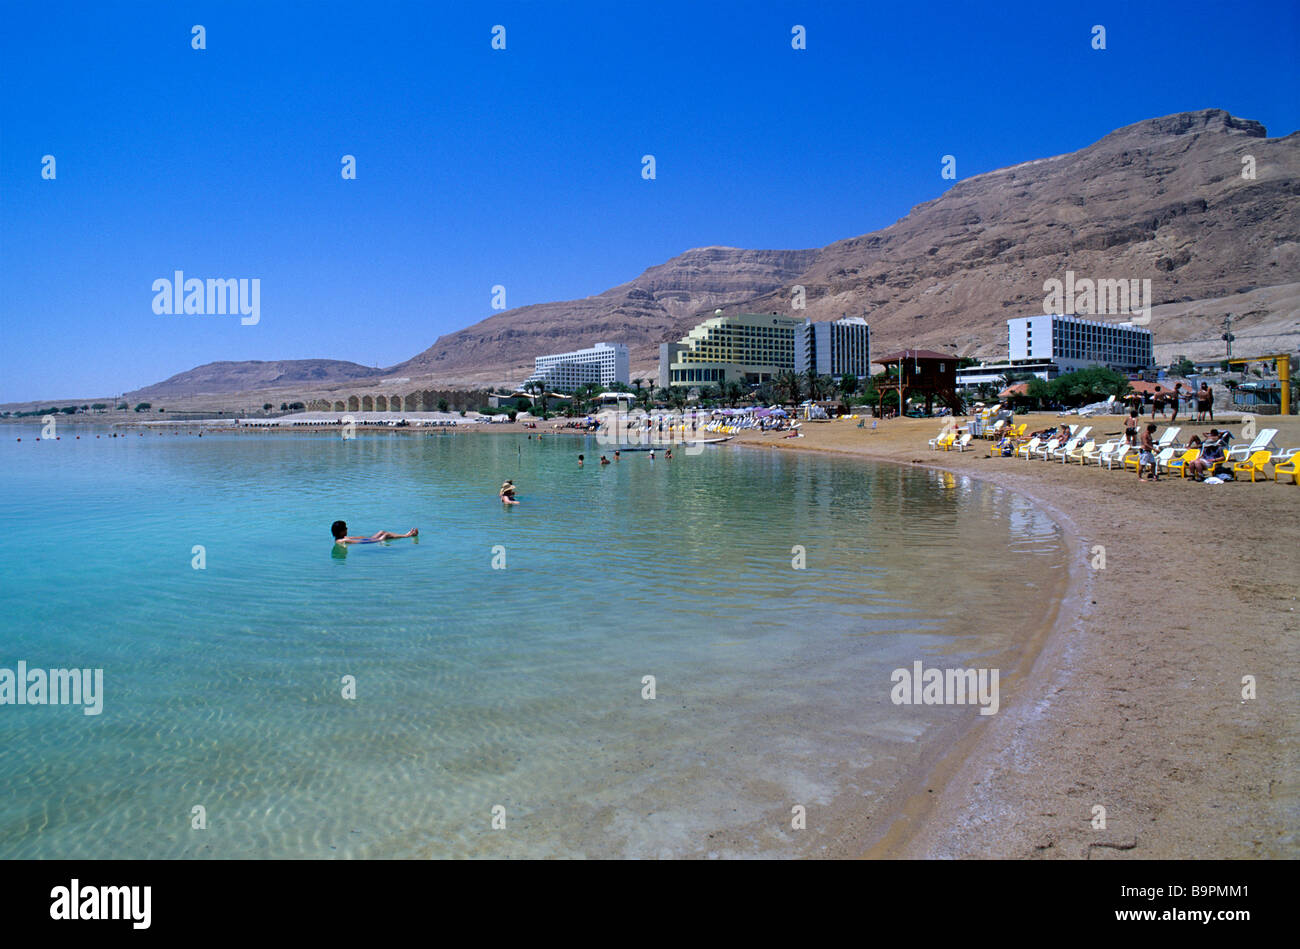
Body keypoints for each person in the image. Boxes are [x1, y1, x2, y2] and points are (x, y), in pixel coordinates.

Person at [331, 521, 418, 545]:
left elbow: (359, 538)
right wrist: (378, 540)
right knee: (385, 535)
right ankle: (408, 536)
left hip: (369, 539)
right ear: (341, 531)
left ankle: (406, 535)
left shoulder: (341, 538)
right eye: (345, 528)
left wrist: (371, 537)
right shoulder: (341, 541)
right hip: (370, 541)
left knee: (382, 532)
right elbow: (359, 542)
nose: (347, 529)